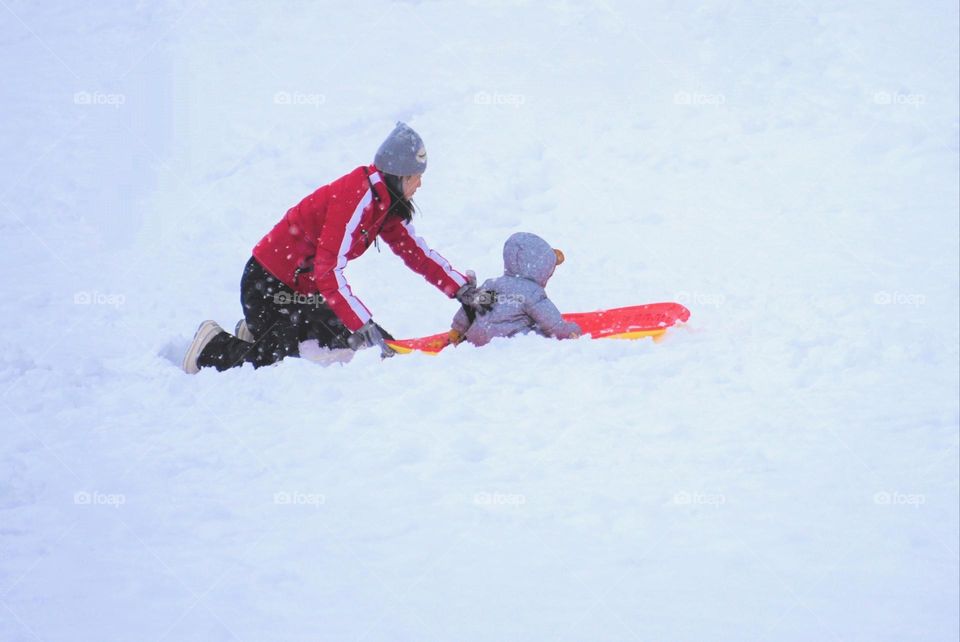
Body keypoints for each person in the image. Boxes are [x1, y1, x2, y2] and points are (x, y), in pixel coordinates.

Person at [182, 122, 492, 373]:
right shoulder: (356, 198)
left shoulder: (385, 203)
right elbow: (328, 270)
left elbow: (416, 253)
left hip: (302, 292)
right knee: (274, 367)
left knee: (371, 350)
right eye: (416, 178)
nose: (419, 185)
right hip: (267, 287)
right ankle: (212, 346)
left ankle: (258, 334)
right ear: (399, 176)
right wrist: (362, 323)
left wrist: (462, 291)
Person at [448, 232, 581, 347]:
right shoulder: (532, 292)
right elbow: (552, 325)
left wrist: (457, 329)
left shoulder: (492, 285)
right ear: (541, 268)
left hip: (477, 340)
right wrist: (570, 331)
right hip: (511, 343)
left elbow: (471, 308)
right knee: (539, 335)